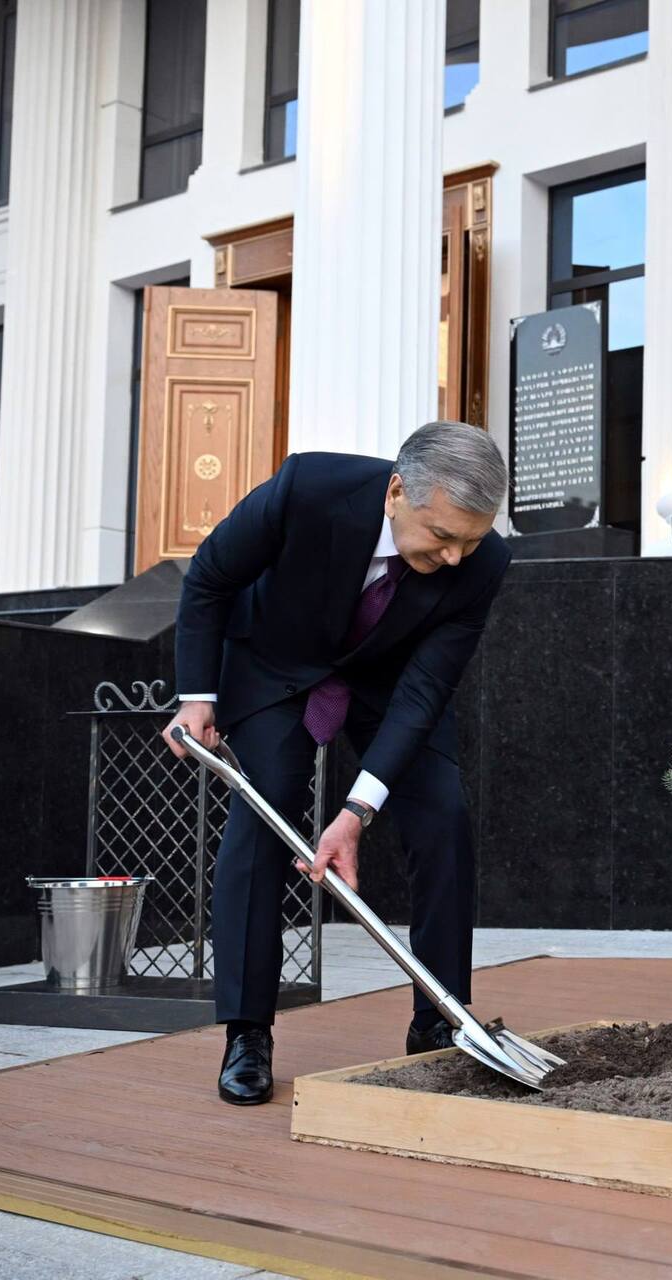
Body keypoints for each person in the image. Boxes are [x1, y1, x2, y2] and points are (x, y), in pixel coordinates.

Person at [163, 421, 510, 1105]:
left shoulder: (484, 564)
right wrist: (197, 696)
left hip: (391, 685)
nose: (454, 557)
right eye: (442, 536)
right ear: (396, 491)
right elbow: (211, 576)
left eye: (470, 541)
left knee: (442, 816)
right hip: (277, 664)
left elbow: (425, 692)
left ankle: (439, 1024)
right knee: (265, 810)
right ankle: (247, 1032)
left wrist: (356, 812)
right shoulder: (308, 487)